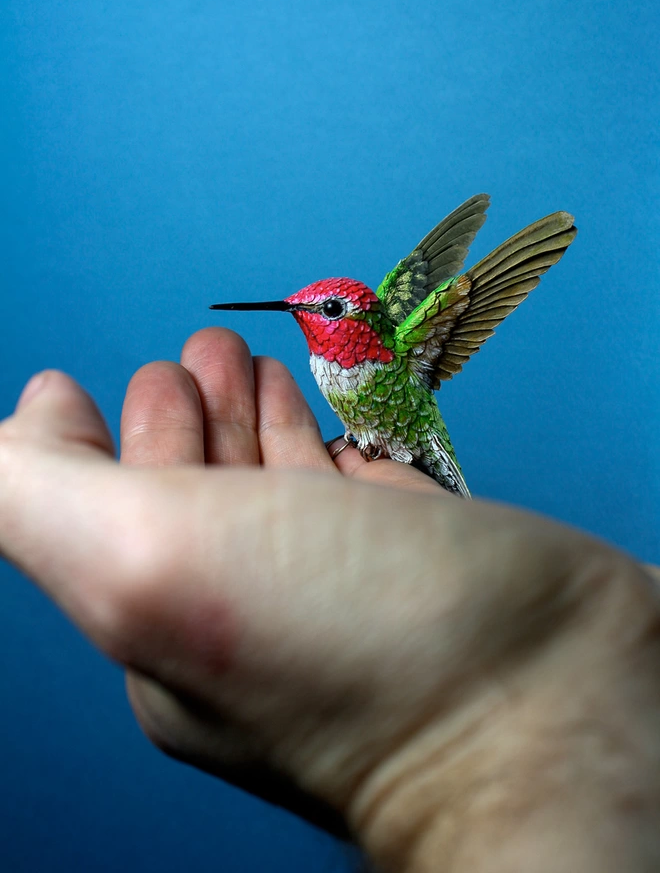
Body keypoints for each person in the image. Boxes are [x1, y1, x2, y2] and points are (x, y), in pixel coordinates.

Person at [1, 326, 658, 872]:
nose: (306, 317)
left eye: (328, 309)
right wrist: (592, 647)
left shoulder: (387, 349)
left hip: (411, 441)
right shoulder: (325, 361)